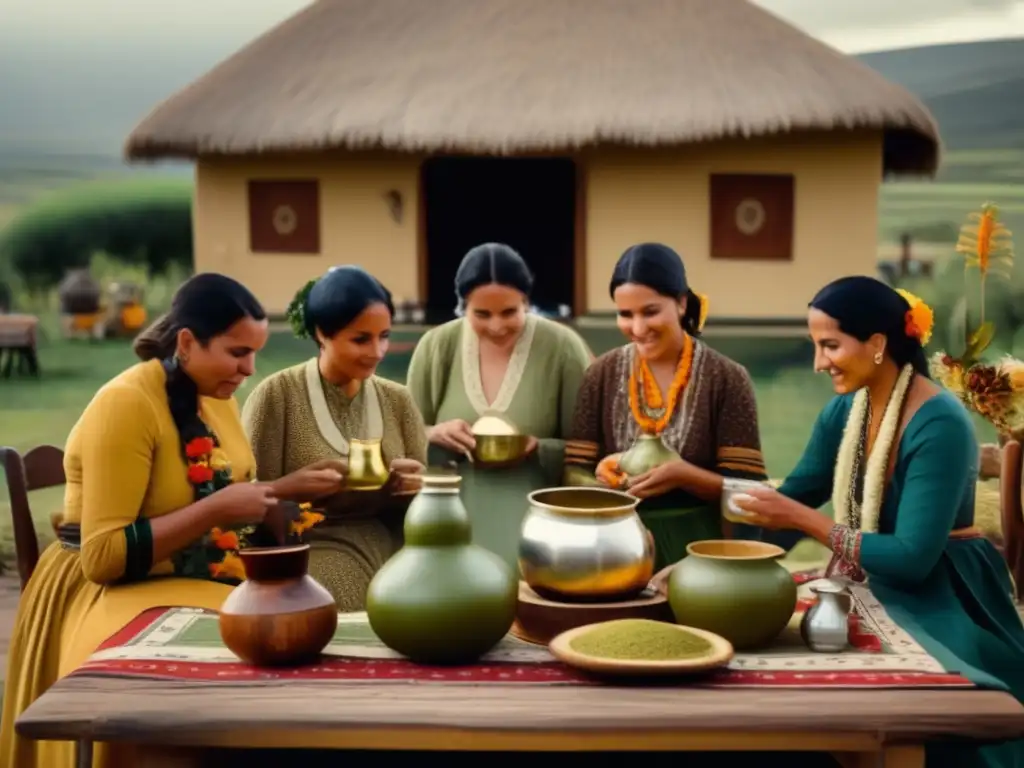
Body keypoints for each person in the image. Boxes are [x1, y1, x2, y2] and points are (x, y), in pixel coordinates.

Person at [0, 273, 347, 768]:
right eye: (236, 353)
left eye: (254, 353)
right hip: (103, 589)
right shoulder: (126, 404)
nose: (249, 369)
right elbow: (103, 557)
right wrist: (218, 511)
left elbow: (214, 492)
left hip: (189, 578)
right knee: (166, 699)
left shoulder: (217, 398)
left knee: (278, 649)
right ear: (187, 342)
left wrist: (287, 488)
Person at [735, 276, 1024, 768]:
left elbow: (912, 559)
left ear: (877, 344)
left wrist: (802, 519)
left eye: (830, 346)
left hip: (944, 595)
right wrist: (718, 558)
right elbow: (791, 501)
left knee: (935, 718)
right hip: (866, 580)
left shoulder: (941, 422)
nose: (818, 363)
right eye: (815, 346)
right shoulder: (843, 411)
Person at [565, 243, 768, 570]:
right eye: (625, 314)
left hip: (700, 552)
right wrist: (601, 482)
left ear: (681, 303)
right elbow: (574, 470)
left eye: (650, 311)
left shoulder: (727, 378)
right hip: (613, 548)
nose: (638, 328)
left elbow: (749, 494)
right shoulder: (600, 375)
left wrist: (685, 476)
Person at [242, 266, 427, 609]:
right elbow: (246, 507)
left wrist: (413, 484)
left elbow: (425, 505)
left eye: (384, 336)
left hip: (398, 548)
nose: (378, 351)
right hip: (312, 548)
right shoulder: (277, 396)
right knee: (336, 592)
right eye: (361, 339)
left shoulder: (398, 400)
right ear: (322, 333)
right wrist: (295, 488)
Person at [406, 243, 593, 567]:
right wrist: (433, 433)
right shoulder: (436, 347)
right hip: (446, 521)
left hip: (539, 529)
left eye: (509, 312)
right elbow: (402, 437)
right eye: (481, 314)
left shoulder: (562, 347)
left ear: (527, 302)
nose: (496, 326)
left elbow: (587, 451)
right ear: (462, 307)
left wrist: (539, 448)